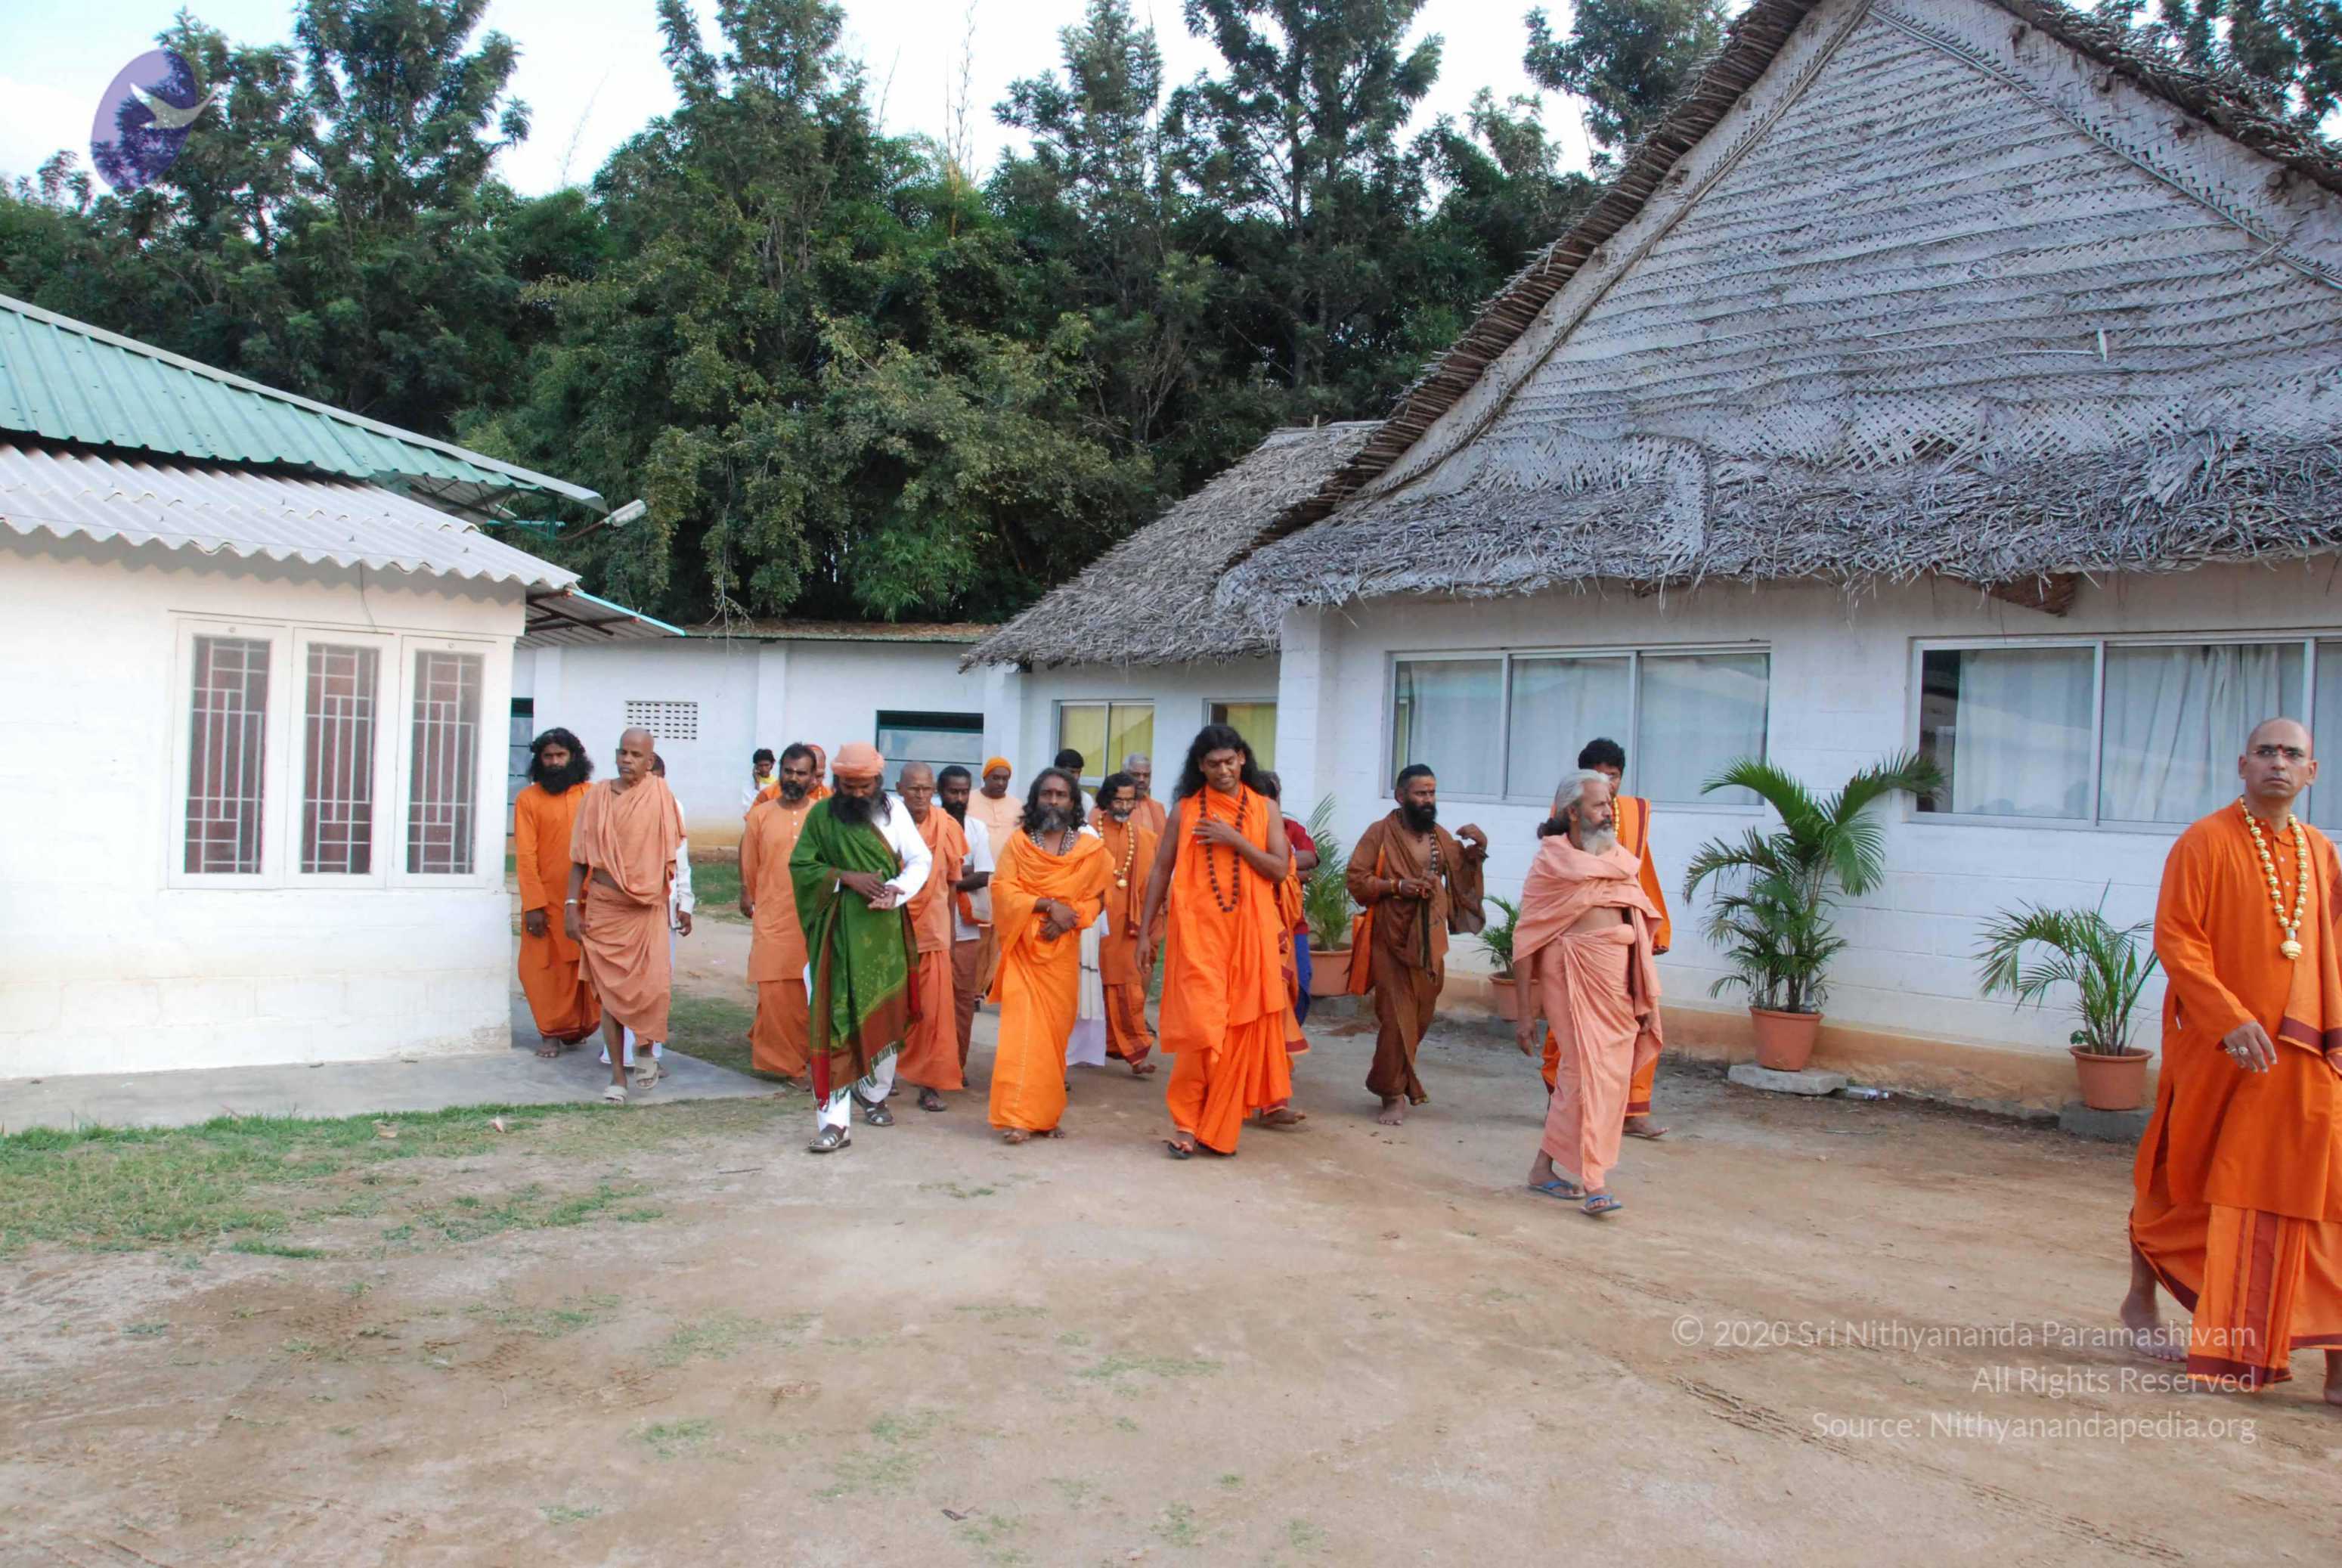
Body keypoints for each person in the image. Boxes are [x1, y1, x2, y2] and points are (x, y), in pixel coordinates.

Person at [2124, 717, 2342, 1399]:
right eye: (2266, 751)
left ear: (2311, 773)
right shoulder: (2205, 840)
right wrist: (2229, 1019)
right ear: (2242, 765)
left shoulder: (2321, 853)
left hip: (2303, 1056)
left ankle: (2335, 1356)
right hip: (2219, 1050)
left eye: (2293, 754)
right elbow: (2177, 938)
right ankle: (2140, 1301)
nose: (2279, 762)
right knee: (2182, 1184)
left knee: (2322, 1195)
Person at [1137, 725, 1300, 1157]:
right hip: (1197, 937)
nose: (1223, 770)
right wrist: (1145, 929)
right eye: (1213, 764)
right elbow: (1161, 869)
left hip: (1250, 937)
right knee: (1200, 1030)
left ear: (1242, 758)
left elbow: (1279, 869)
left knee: (1235, 1033)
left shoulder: (1265, 808)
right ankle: (1186, 1124)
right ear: (1200, 766)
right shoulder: (1185, 810)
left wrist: (1235, 839)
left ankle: (1216, 1128)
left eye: (1230, 761)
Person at [1515, 771, 1664, 1219]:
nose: (1609, 812)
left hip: (1617, 984)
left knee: (1592, 1078)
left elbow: (1638, 924)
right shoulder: (1552, 863)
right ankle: (1596, 1182)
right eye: (1599, 805)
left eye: (1609, 803)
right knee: (1586, 1072)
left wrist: (1643, 994)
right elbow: (1526, 940)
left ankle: (1542, 1168)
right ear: (1573, 812)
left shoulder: (1620, 860)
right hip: (1569, 974)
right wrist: (1525, 1015)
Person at [790, 742, 932, 1152]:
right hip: (835, 934)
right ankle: (834, 1123)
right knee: (833, 1019)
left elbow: (920, 860)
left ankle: (874, 1094)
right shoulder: (821, 816)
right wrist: (845, 877)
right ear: (836, 781)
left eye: (864, 786)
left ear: (878, 781)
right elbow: (801, 867)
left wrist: (897, 890)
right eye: (848, 786)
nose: (855, 793)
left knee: (882, 1012)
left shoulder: (895, 812)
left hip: (883, 933)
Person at [1346, 764, 1489, 1124]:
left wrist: (1478, 849)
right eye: (1420, 793)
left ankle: (1394, 1077)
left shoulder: (1439, 836)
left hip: (1428, 939)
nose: (1428, 800)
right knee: (1397, 1017)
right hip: (1389, 937)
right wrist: (1397, 887)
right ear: (1401, 796)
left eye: (1432, 793)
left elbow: (1462, 880)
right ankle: (1392, 1093)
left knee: (1421, 1014)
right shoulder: (1379, 833)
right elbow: (1357, 879)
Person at [1554, 738, 1674, 1138]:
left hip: (1626, 934)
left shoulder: (1634, 814)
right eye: (1599, 774)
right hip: (1580, 936)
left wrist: (1655, 929)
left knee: (1639, 1016)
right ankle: (1564, 1102)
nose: (1607, 782)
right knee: (1570, 1022)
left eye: (1614, 775)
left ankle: (1633, 1110)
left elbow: (1643, 869)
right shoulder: (1567, 814)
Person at [988, 768, 1111, 1143]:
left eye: (1061, 795)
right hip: (1025, 952)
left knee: (1053, 1038)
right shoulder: (1020, 843)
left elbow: (1100, 896)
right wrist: (1047, 906)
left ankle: (1043, 1115)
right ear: (1036, 799)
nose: (1053, 801)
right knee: (1022, 1034)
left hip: (1062, 954)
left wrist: (1069, 917)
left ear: (1073, 802)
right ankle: (1018, 1118)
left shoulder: (1089, 849)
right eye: (1047, 794)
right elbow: (1003, 890)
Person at [565, 728, 686, 1105]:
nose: (627, 760)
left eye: (636, 755)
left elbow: (673, 857)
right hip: (605, 906)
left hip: (646, 909)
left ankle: (646, 1048)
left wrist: (684, 900)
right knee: (611, 996)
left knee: (653, 988)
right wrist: (571, 906)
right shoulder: (596, 797)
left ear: (650, 762)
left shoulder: (660, 796)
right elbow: (580, 859)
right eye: (623, 753)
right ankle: (618, 1076)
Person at [515, 729, 602, 1058]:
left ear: (573, 758)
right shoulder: (528, 799)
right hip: (546, 901)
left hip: (589, 899)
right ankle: (549, 1032)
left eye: (560, 756)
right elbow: (525, 855)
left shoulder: (592, 795)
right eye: (548, 756)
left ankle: (577, 1029)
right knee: (543, 970)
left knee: (585, 969)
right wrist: (533, 905)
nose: (554, 762)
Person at [612, 753, 695, 1086]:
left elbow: (681, 859)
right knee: (621, 980)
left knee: (657, 984)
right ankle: (619, 1057)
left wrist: (685, 901)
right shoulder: (615, 804)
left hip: (662, 907)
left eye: (658, 778)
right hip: (623, 907)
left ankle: (650, 1054)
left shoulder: (673, 806)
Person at [740, 744, 819, 1086]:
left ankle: (805, 1058)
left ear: (813, 778)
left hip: (813, 920)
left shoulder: (823, 816)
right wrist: (748, 894)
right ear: (780, 772)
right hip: (772, 917)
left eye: (801, 773)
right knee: (775, 993)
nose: (793, 778)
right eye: (788, 771)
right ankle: (785, 1064)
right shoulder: (760, 815)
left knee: (806, 994)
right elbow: (750, 865)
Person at [896, 763, 971, 1112]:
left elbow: (953, 884)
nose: (921, 795)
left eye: (926, 789)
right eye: (914, 789)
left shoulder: (947, 826)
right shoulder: (885, 825)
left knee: (934, 1014)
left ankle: (930, 1085)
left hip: (934, 930)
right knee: (889, 1008)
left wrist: (951, 933)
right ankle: (882, 1076)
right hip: (891, 930)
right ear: (900, 789)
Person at [1095, 772, 1162, 1075]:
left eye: (1129, 800)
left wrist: (1149, 922)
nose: (1124, 806)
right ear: (1107, 800)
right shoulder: (1088, 833)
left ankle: (1136, 1052)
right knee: (1089, 985)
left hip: (1128, 924)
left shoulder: (1144, 838)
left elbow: (1154, 884)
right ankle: (1096, 1046)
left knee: (1128, 986)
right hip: (1092, 920)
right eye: (1118, 800)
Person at [937, 765, 996, 1072]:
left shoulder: (976, 828)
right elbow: (921, 874)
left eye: (963, 792)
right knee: (931, 1000)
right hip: (932, 927)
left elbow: (983, 875)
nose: (959, 798)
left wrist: (945, 879)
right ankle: (930, 1067)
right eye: (953, 792)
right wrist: (962, 873)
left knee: (963, 1000)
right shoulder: (929, 824)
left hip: (966, 929)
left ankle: (955, 1066)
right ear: (941, 792)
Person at [1262, 771, 1321, 1024]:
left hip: (1294, 924)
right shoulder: (1246, 832)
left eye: (1275, 795)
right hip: (1259, 925)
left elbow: (1311, 858)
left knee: (1302, 984)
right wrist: (1295, 872)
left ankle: (1287, 1039)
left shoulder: (1291, 828)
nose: (1272, 802)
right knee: (1267, 990)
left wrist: (1278, 864)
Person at [742, 747, 776, 815]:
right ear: (756, 766)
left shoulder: (778, 784)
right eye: (761, 765)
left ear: (772, 765)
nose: (764, 769)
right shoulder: (748, 785)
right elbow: (748, 811)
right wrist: (757, 785)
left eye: (767, 765)